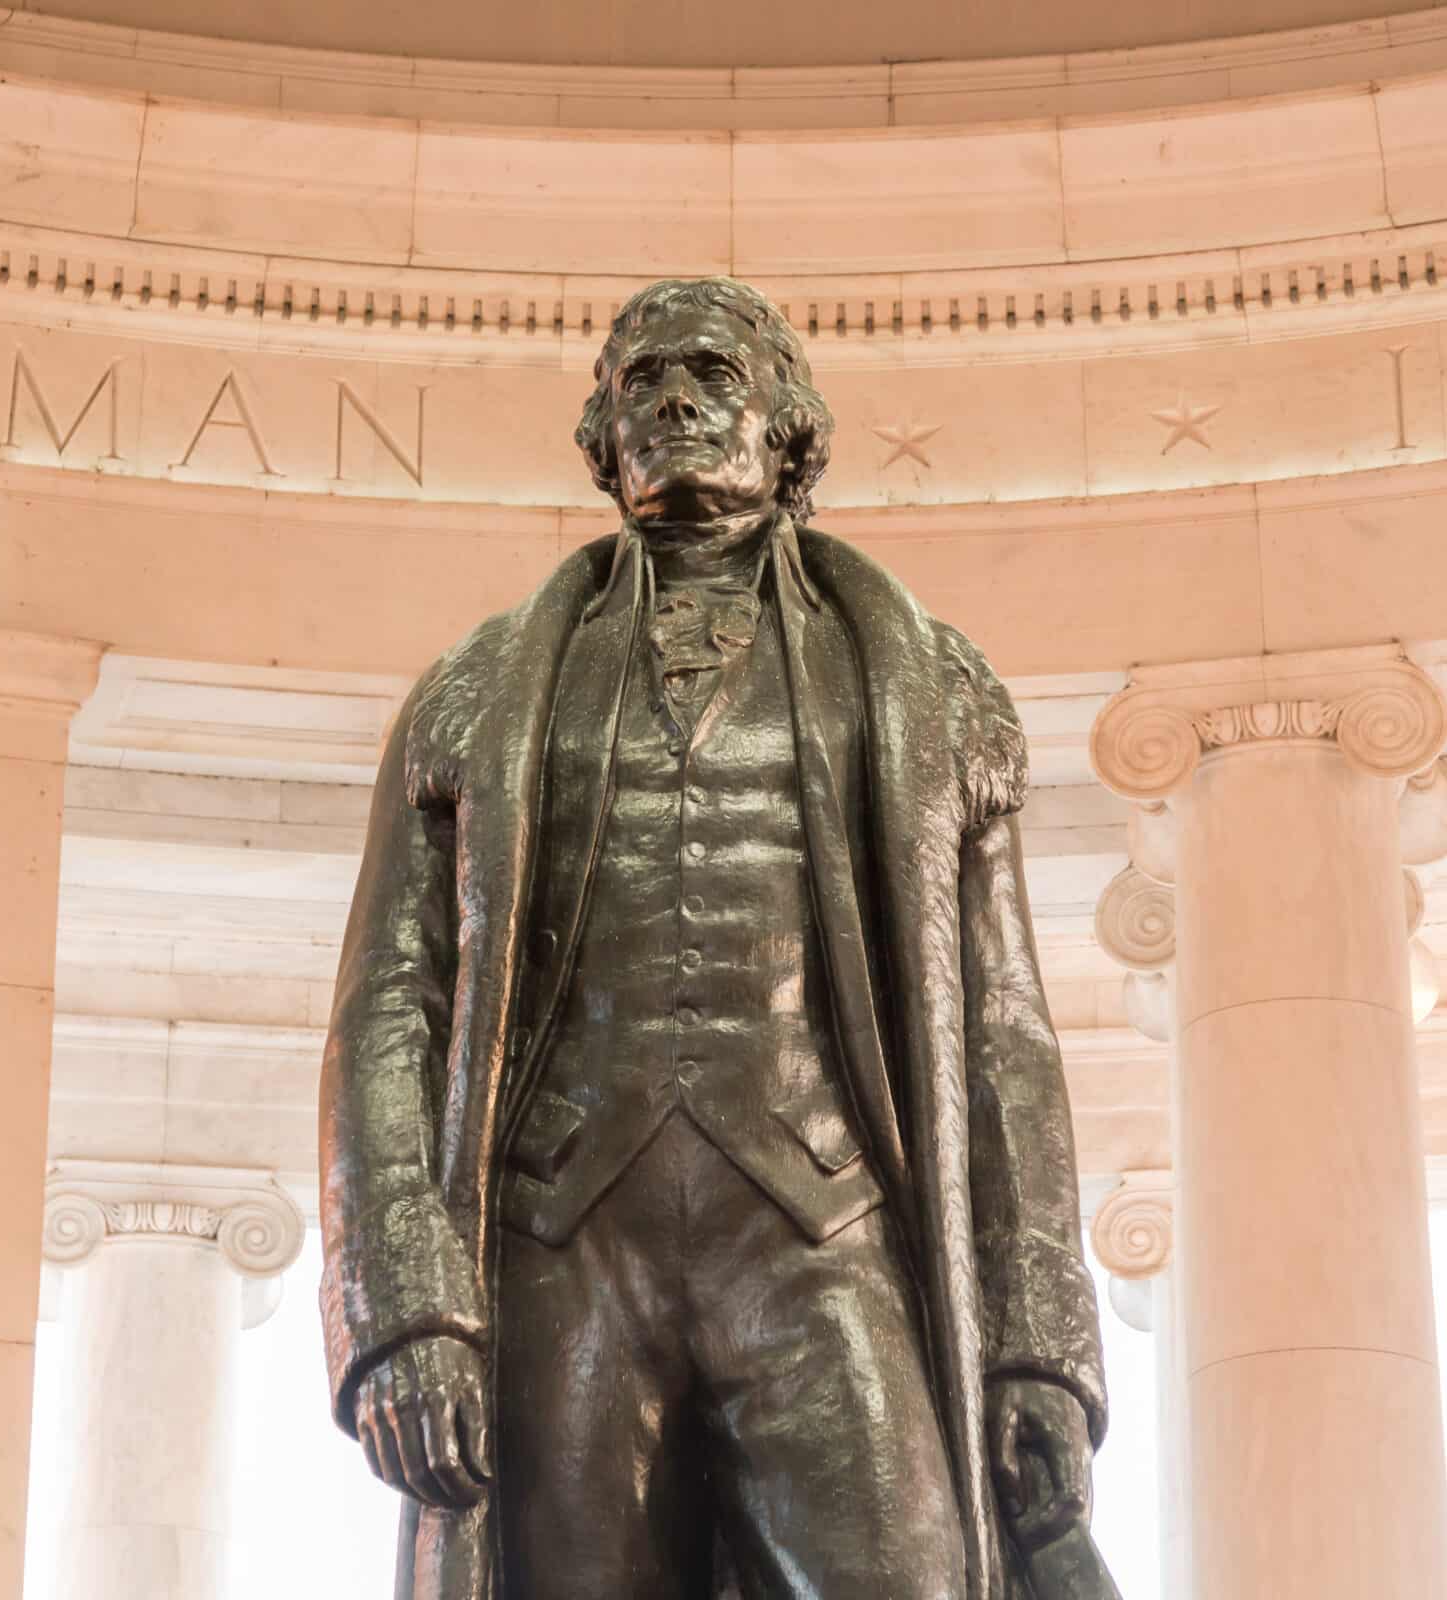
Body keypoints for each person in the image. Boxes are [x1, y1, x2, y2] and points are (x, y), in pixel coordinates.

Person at [320, 276, 1113, 1600]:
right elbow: (391, 1005)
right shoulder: (472, 690)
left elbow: (1002, 1032)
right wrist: (403, 1307)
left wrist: (1037, 1348)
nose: (677, 401)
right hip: (561, 1237)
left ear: (790, 429)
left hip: (825, 1229)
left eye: (713, 374)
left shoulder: (933, 685)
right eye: (642, 379)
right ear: (600, 436)